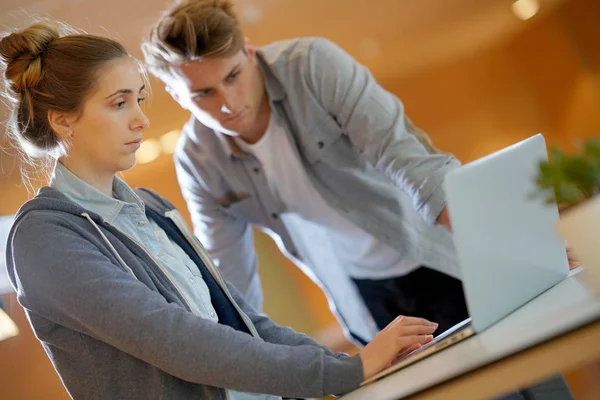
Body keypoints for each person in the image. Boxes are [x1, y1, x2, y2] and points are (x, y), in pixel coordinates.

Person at [0, 21, 440, 399]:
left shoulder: (154, 210)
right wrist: (346, 371)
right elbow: (172, 338)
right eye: (119, 103)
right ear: (62, 119)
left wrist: (353, 363)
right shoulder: (43, 237)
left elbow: (243, 322)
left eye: (139, 99)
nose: (141, 119)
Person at [141, 0, 467, 344]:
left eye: (233, 76)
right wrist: (244, 357)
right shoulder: (199, 161)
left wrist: (483, 241)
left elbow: (401, 152)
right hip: (363, 293)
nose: (228, 103)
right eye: (203, 93)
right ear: (177, 95)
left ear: (249, 52)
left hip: (434, 252)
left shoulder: (311, 66)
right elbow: (229, 276)